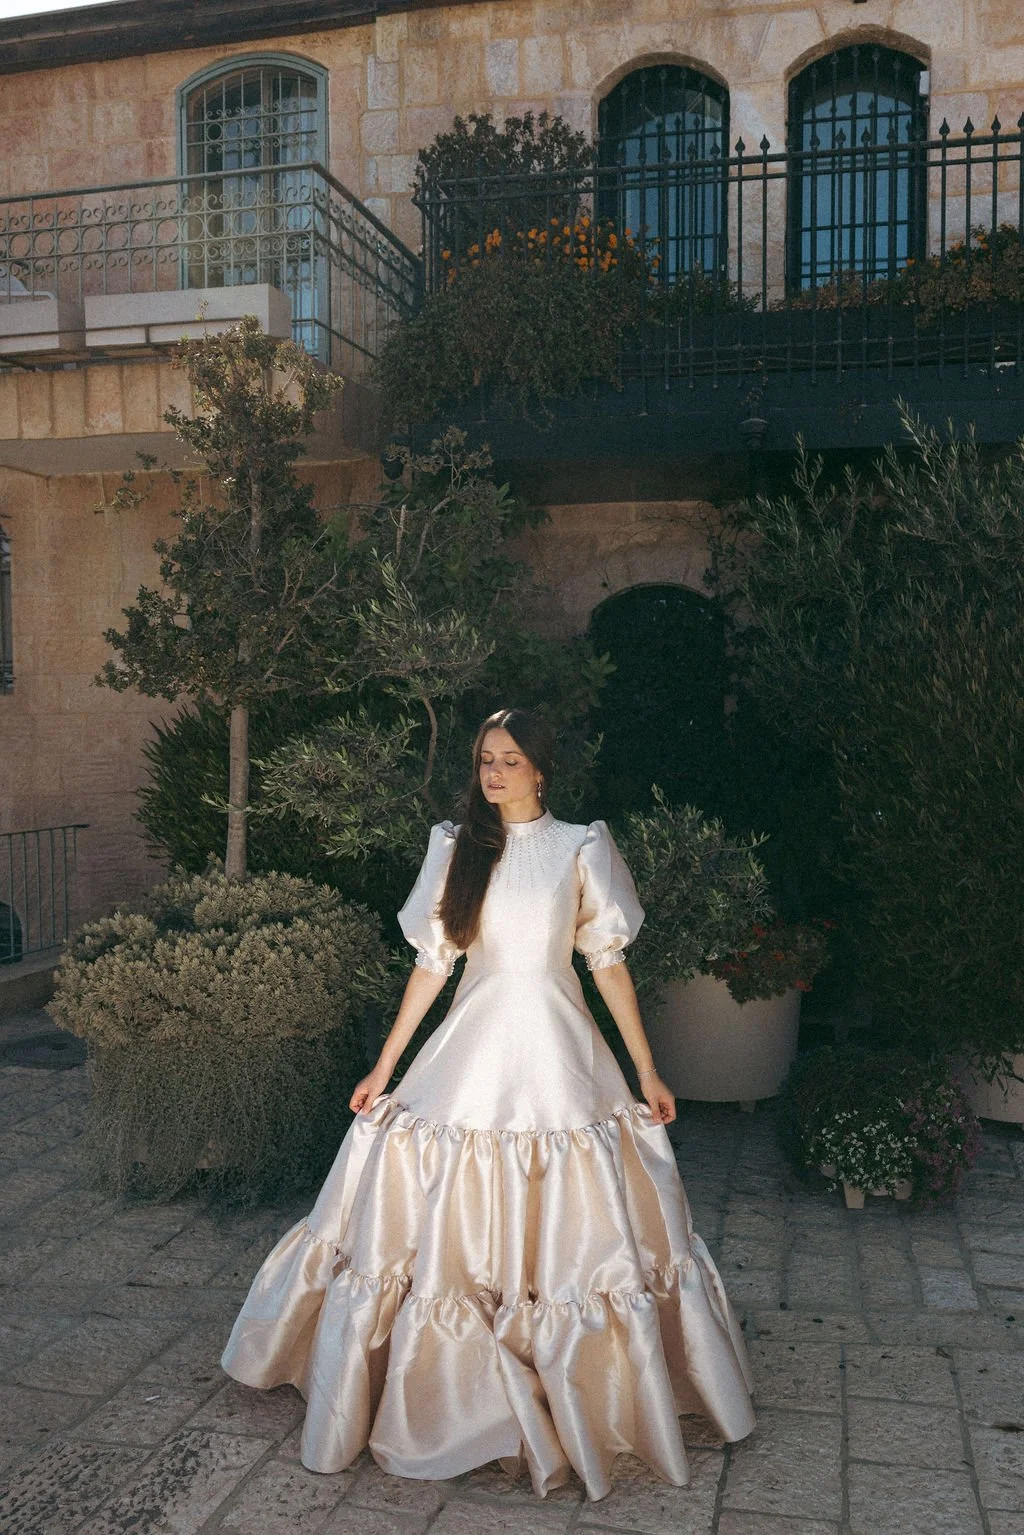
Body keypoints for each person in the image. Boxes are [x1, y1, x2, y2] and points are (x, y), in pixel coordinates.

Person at [221, 707, 755, 1500]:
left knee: (583, 1235)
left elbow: (606, 966)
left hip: (561, 1061)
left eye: (510, 759)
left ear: (542, 770)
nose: (494, 771)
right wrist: (385, 1066)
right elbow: (432, 969)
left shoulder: (581, 846)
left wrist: (646, 1070)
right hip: (469, 1058)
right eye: (484, 759)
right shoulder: (453, 848)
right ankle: (451, 1398)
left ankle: (585, 1383)